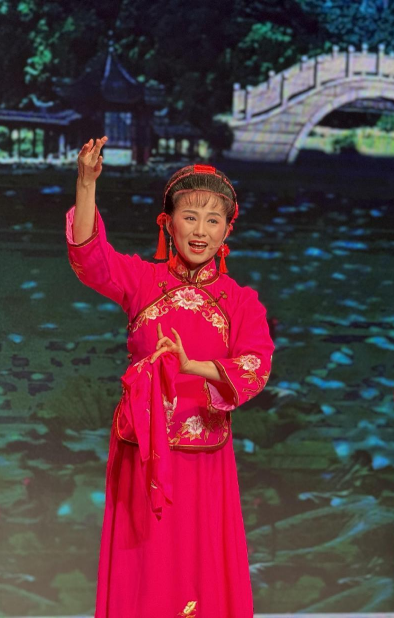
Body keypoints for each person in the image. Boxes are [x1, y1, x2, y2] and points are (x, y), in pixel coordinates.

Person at [67, 137, 273, 617]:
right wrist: (86, 184)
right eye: (190, 217)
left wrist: (192, 366)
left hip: (204, 463)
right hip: (143, 458)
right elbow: (90, 260)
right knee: (144, 581)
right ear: (168, 222)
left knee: (200, 579)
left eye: (213, 220)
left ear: (227, 230)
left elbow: (255, 366)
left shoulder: (241, 301)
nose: (200, 231)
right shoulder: (142, 281)